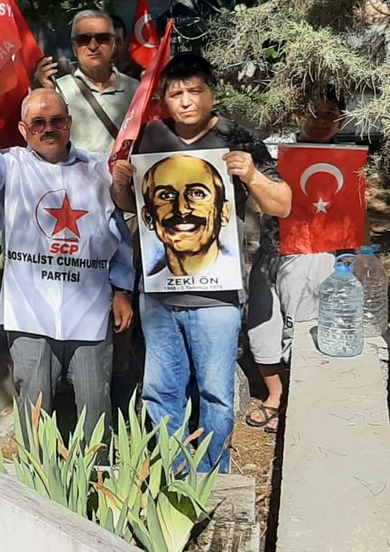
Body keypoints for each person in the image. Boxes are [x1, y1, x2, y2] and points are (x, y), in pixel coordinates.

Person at [110, 53, 291, 473]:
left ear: (212, 94)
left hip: (217, 296)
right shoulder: (149, 137)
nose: (186, 101)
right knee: (160, 391)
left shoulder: (239, 138)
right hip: (158, 295)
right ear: (164, 99)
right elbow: (130, 206)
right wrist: (120, 185)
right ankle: (173, 475)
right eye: (176, 93)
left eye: (195, 91)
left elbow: (282, 205)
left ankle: (214, 477)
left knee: (216, 393)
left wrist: (252, 176)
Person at [0, 69, 134, 437]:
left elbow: (119, 235)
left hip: (89, 310)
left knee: (95, 406)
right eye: (37, 123)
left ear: (69, 124)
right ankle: (35, 484)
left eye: (56, 120)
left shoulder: (100, 167)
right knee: (34, 408)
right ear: (24, 131)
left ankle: (98, 482)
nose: (48, 128)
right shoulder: (12, 165)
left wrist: (122, 289)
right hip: (29, 311)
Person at [245, 91, 348, 432]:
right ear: (298, 115)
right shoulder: (272, 152)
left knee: (303, 329)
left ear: (341, 119)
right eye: (313, 113)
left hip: (313, 255)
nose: (320, 121)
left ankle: (299, 401)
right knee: (262, 327)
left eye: (329, 114)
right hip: (271, 251)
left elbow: (354, 217)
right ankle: (275, 394)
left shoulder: (350, 160)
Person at [34, 9, 140, 156]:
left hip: (126, 177)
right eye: (84, 39)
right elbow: (41, 141)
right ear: (74, 47)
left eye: (102, 38)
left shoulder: (136, 90)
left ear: (113, 44)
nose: (93, 46)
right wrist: (42, 96)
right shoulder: (57, 90)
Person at [139, 154, 242, 282]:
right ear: (147, 217)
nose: (182, 209)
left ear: (224, 213)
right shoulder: (150, 282)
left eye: (197, 193)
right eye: (166, 195)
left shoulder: (233, 277)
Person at [111, 14, 144, 80]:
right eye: (109, 41)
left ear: (125, 42)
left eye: (118, 41)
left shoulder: (135, 76)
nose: (114, 46)